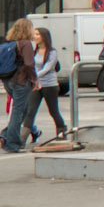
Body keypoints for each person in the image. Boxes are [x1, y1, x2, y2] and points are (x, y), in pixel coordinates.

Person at [24, 27, 67, 141]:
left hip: (50, 85)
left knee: (53, 111)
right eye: (34, 34)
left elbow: (48, 68)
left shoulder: (52, 52)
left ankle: (61, 131)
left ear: (44, 36)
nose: (35, 37)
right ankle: (22, 139)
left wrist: (33, 76)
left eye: (37, 34)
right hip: (36, 86)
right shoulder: (34, 52)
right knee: (30, 111)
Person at [2, 19, 35, 153]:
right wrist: (35, 80)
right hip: (21, 81)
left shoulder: (10, 44)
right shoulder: (26, 44)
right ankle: (13, 143)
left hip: (8, 80)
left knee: (23, 110)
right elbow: (29, 64)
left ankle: (5, 135)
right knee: (19, 111)